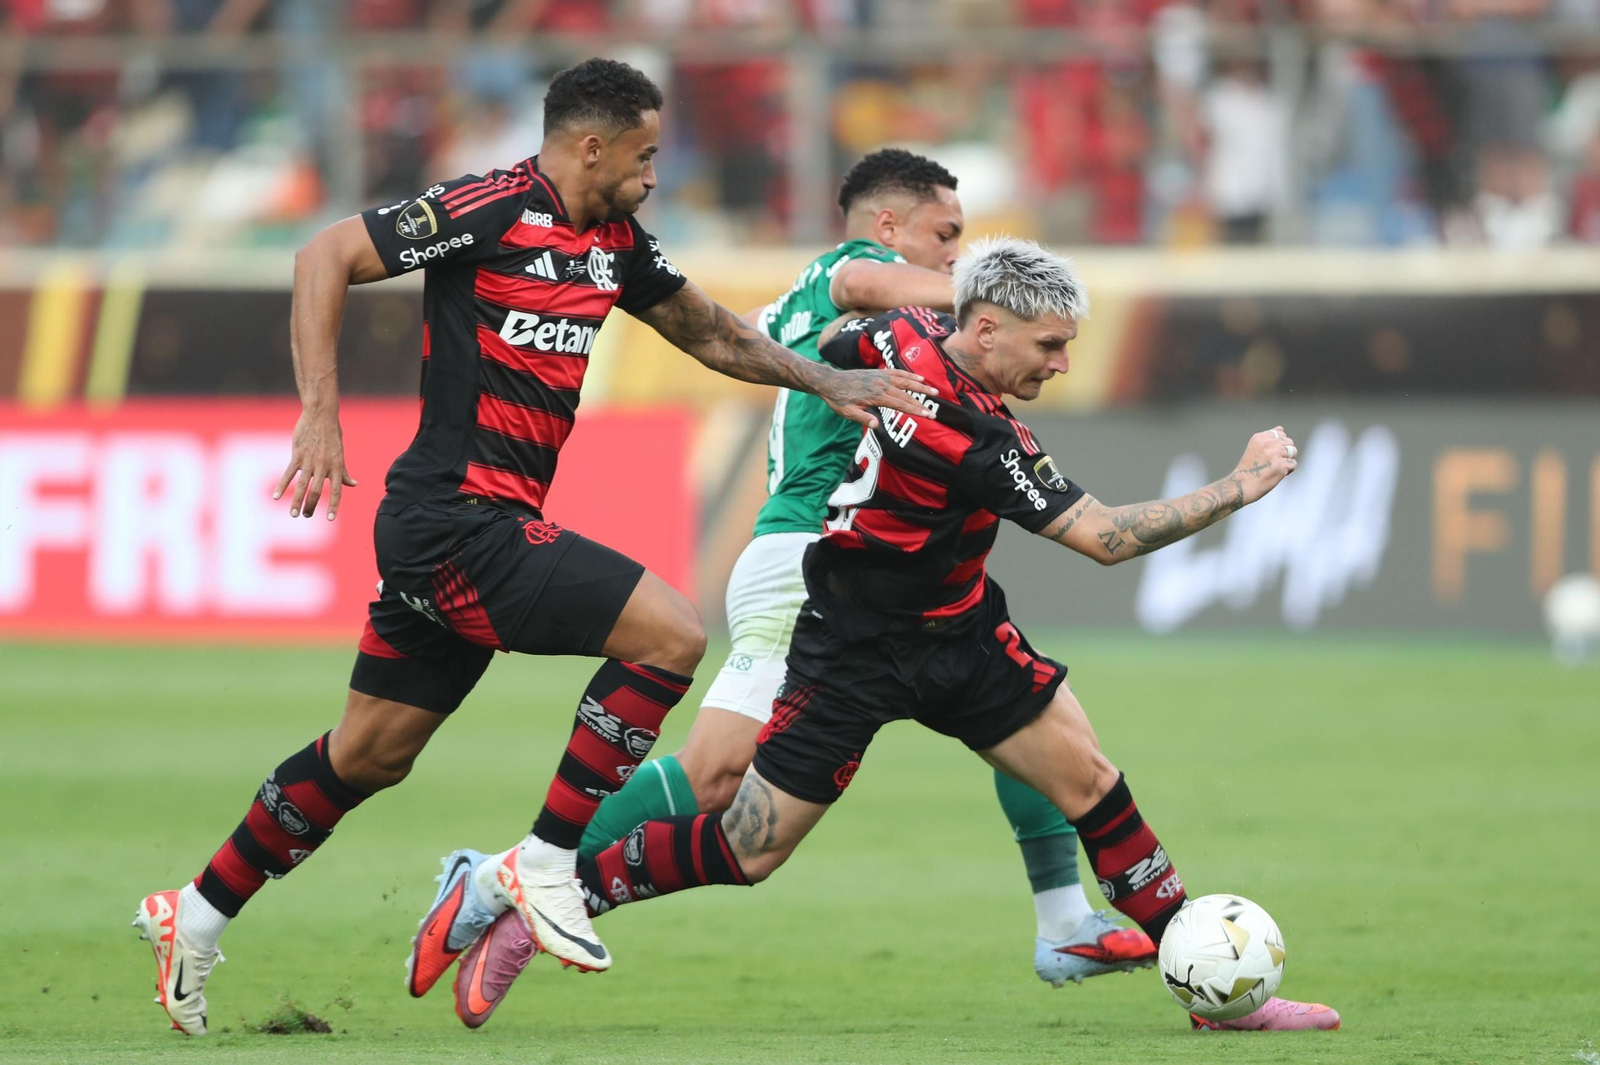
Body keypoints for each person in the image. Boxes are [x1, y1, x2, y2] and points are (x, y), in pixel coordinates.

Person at [129, 57, 930, 1038]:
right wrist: (320, 415)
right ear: (590, 144)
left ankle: (193, 914)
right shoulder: (489, 206)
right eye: (642, 154)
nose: (652, 174)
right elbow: (324, 254)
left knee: (369, 755)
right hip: (456, 519)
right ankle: (544, 861)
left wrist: (825, 381)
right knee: (671, 636)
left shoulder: (617, 242)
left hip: (468, 530)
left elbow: (714, 337)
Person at [446, 237, 1342, 1033]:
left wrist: (847, 397)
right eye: (1051, 344)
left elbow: (836, 347)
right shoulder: (980, 436)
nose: (1063, 364)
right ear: (986, 328)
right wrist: (1240, 484)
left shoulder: (901, 334)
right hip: (853, 650)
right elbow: (1105, 539)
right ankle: (548, 901)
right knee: (747, 848)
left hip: (961, 632)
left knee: (1095, 785)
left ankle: (1212, 991)